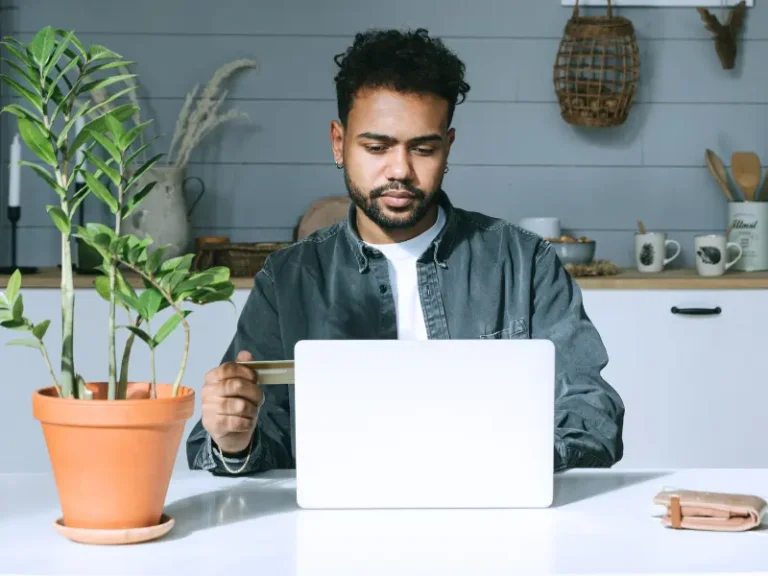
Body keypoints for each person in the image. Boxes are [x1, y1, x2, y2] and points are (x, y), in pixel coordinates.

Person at [186, 28, 624, 476]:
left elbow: (591, 409)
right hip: (337, 527)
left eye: (423, 148)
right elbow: (240, 438)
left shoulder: (523, 262)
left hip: (493, 519)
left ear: (448, 147)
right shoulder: (290, 278)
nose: (400, 170)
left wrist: (509, 465)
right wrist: (235, 439)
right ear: (339, 143)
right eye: (376, 147)